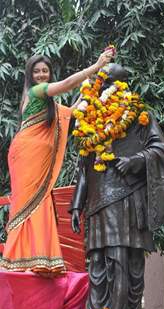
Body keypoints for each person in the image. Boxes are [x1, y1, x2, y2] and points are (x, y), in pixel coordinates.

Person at [69, 63, 164, 309]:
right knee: (99, 270)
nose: (101, 88)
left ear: (119, 87)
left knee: (127, 268)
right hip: (96, 205)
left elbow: (160, 150)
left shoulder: (138, 115)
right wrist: (76, 204)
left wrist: (136, 161)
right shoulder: (89, 121)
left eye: (106, 84)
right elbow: (85, 166)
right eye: (99, 84)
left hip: (126, 199)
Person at [0, 49, 113, 277]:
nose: (42, 74)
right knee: (31, 202)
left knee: (40, 201)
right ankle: (17, 257)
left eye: (45, 71)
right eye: (37, 71)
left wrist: (89, 90)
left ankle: (39, 259)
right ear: (30, 75)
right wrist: (98, 65)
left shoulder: (47, 101)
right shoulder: (37, 91)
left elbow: (68, 114)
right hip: (28, 155)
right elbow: (69, 83)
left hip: (32, 154)